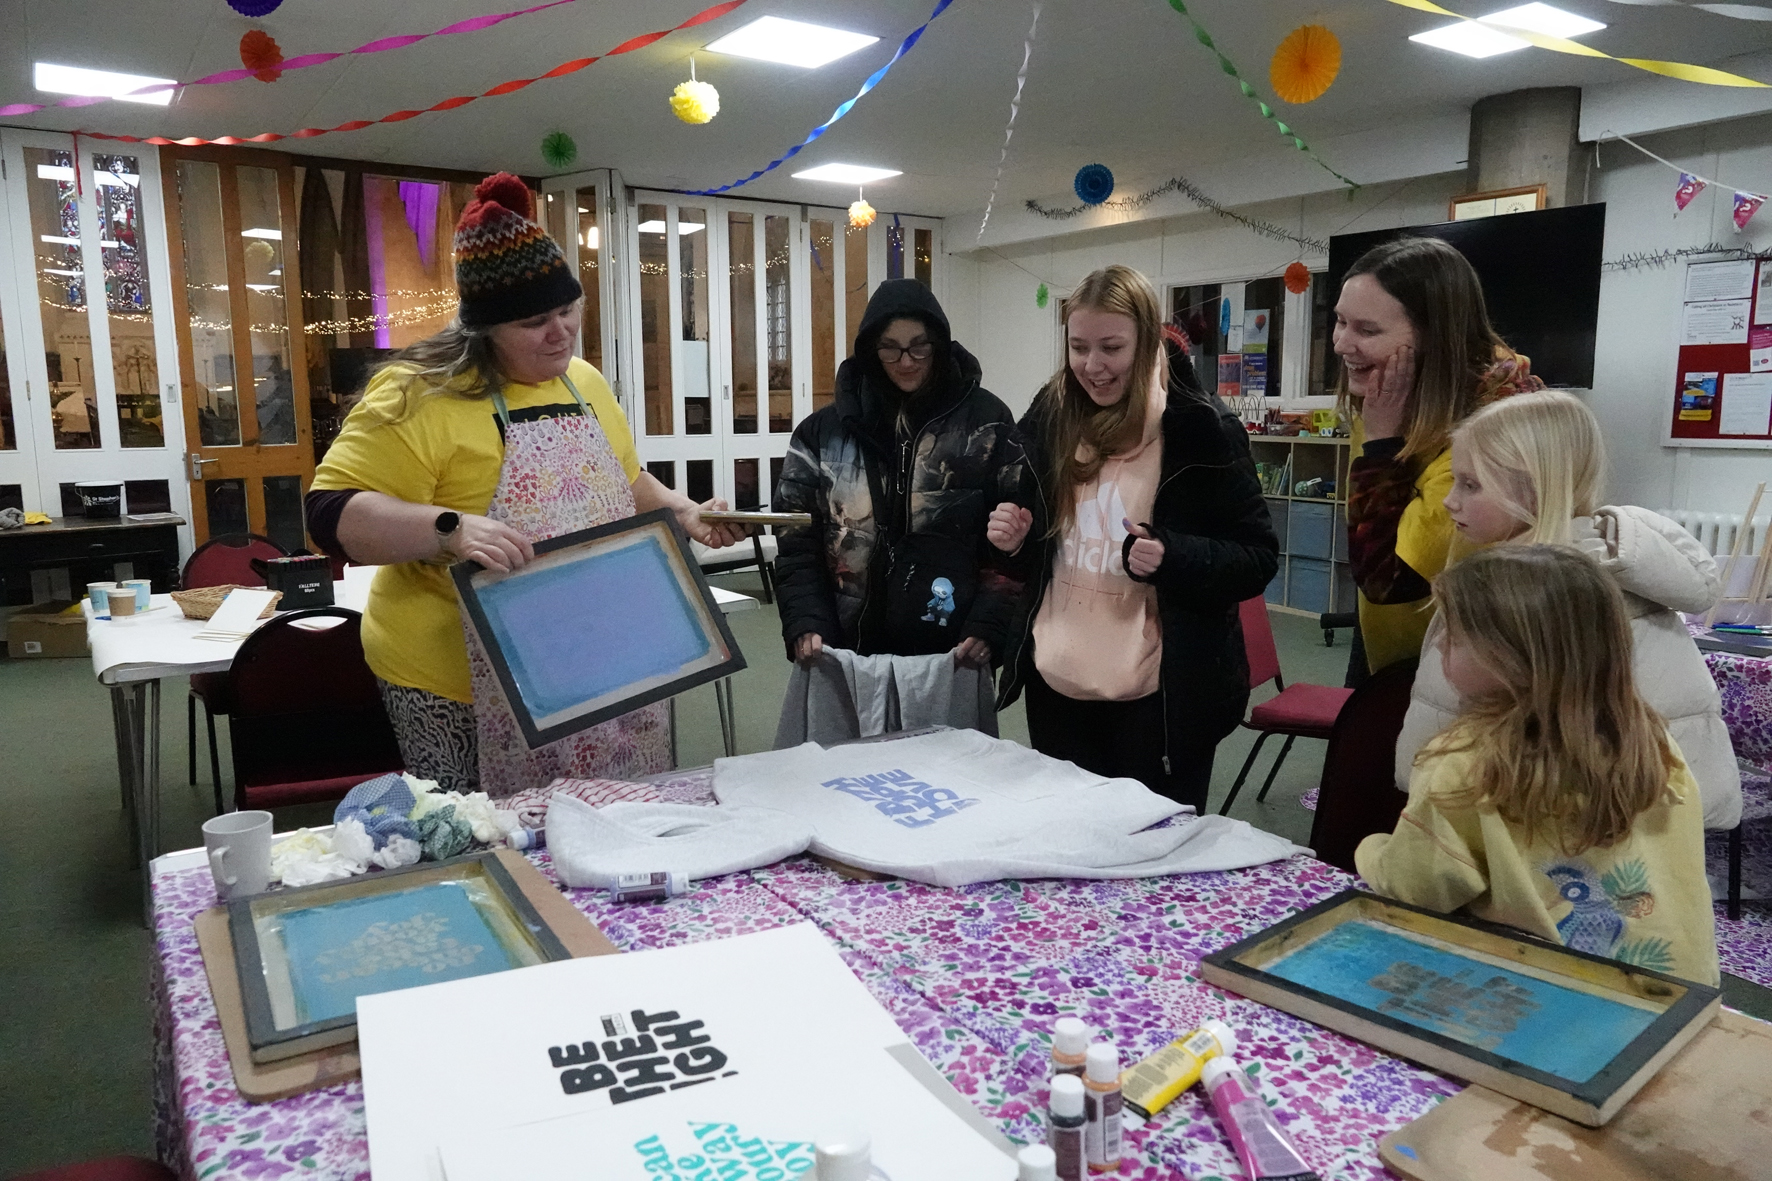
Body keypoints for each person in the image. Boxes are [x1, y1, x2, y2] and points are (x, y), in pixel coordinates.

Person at [305, 173, 747, 797]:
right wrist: (448, 530)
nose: (560, 332)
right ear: (484, 328)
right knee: (484, 831)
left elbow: (623, 480)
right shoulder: (417, 394)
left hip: (591, 659)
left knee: (606, 818)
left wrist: (682, 510)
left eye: (568, 310)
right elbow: (330, 515)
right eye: (535, 321)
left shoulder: (583, 382)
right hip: (455, 674)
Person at [1357, 546, 1720, 986]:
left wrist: (1371, 852)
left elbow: (1416, 889)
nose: (1438, 643)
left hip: (1557, 996)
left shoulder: (1461, 760)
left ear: (1512, 657)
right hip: (1683, 990)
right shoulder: (1654, 742)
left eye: (1454, 634)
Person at [988, 265, 1278, 812]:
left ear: (1146, 342)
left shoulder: (1200, 428)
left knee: (1152, 852)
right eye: (1079, 347)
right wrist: (1016, 542)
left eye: (1112, 348)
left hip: (1159, 704)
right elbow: (1042, 553)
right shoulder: (1051, 416)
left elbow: (1257, 558)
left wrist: (1172, 555)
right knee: (1069, 844)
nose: (1092, 366)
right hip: (1058, 689)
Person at [1394, 391, 1742, 829]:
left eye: (1470, 484)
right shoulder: (1598, 568)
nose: (1450, 500)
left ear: (1532, 488)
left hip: (1575, 820)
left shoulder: (1536, 595)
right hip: (1639, 810)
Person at [772, 278, 1031, 668]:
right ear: (871, 350)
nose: (906, 361)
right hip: (845, 647)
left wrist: (989, 625)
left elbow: (1012, 541)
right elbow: (795, 542)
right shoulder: (822, 434)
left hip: (954, 650)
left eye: (919, 346)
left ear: (938, 344)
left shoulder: (987, 424)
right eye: (890, 348)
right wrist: (806, 620)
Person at [1336, 236, 1543, 681]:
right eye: (1340, 321)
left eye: (1367, 331)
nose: (1341, 344)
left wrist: (1382, 448)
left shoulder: (1492, 425)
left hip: (1462, 662)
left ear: (1434, 335)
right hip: (1386, 643)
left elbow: (1392, 577)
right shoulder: (1387, 401)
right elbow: (1369, 549)